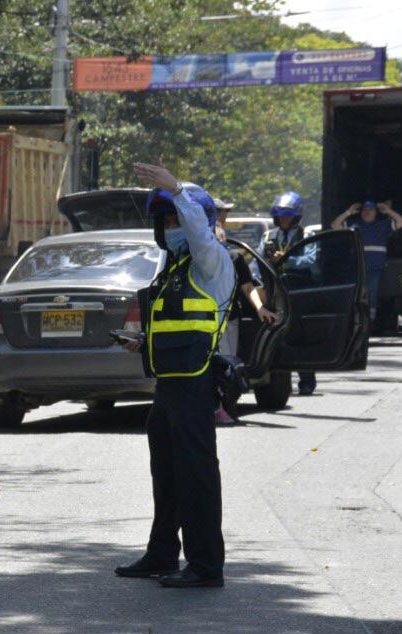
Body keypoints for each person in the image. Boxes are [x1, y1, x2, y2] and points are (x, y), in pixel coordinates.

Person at [115, 163, 232, 588]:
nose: (169, 229)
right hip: (169, 385)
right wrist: (141, 342)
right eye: (163, 222)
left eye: (175, 220)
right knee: (166, 474)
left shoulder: (210, 261)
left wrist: (179, 193)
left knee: (196, 474)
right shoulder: (174, 269)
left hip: (196, 383)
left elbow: (200, 236)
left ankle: (205, 565)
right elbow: (178, 327)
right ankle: (163, 553)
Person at [213, 201, 279, 424]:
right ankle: (213, 407)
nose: (219, 240)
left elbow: (248, 287)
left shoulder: (234, 258)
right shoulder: (198, 259)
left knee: (228, 366)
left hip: (229, 320)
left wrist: (260, 308)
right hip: (202, 320)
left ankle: (226, 407)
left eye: (221, 238)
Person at [265, 191, 316, 395]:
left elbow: (310, 260)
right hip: (276, 293)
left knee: (301, 337)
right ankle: (279, 384)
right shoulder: (268, 236)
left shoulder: (306, 236)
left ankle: (307, 382)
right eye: (280, 216)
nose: (284, 220)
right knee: (277, 338)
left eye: (288, 216)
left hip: (300, 292)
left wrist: (286, 259)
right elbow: (257, 262)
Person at [330, 199, 402, 332]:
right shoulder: (354, 225)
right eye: (365, 210)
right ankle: (357, 322)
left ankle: (369, 322)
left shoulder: (383, 225)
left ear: (376, 212)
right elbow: (334, 225)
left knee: (372, 295)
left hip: (375, 268)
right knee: (356, 295)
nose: (367, 212)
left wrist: (388, 211)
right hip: (357, 268)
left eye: (370, 210)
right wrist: (348, 212)